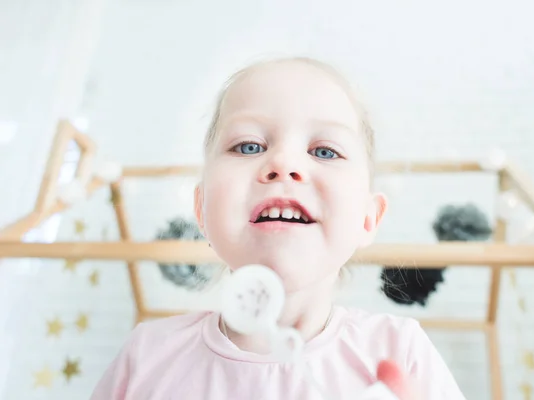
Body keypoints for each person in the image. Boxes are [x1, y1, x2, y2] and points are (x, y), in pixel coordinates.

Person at [90, 56, 466, 399]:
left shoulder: (399, 352)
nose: (283, 163)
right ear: (202, 209)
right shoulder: (148, 356)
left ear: (368, 219)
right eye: (249, 146)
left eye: (325, 151)